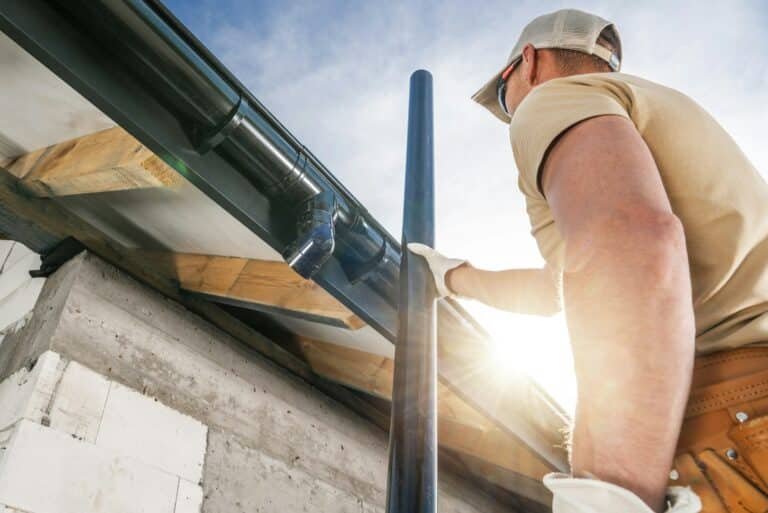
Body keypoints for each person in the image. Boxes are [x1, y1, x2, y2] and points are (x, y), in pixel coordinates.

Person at [409, 8, 768, 513]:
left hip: (735, 418)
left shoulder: (550, 101)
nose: (511, 111)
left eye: (505, 97)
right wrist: (454, 278)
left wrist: (610, 494)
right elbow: (573, 282)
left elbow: (633, 245)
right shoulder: (653, 109)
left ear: (527, 64)